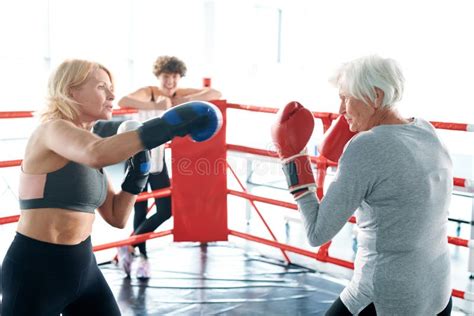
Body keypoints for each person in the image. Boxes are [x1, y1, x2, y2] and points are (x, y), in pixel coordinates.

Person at [1, 59, 222, 316]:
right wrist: (167, 126)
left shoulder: (89, 144)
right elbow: (96, 152)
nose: (112, 95)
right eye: (101, 87)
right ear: (71, 90)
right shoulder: (52, 130)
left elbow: (117, 216)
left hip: (83, 267)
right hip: (36, 271)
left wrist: (136, 179)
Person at [271, 55, 453, 315]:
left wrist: (293, 161)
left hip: (389, 297)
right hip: (439, 293)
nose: (341, 110)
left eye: (346, 97)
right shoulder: (427, 131)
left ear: (376, 97)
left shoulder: (367, 145)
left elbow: (316, 233)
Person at [116, 55, 221, 279]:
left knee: (166, 209)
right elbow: (123, 100)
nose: (170, 82)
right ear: (158, 76)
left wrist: (184, 100)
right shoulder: (150, 91)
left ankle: (129, 245)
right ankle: (141, 256)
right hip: (137, 154)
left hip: (158, 155)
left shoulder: (178, 94)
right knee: (140, 208)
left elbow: (215, 94)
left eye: (174, 77)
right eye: (166, 77)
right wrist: (154, 105)